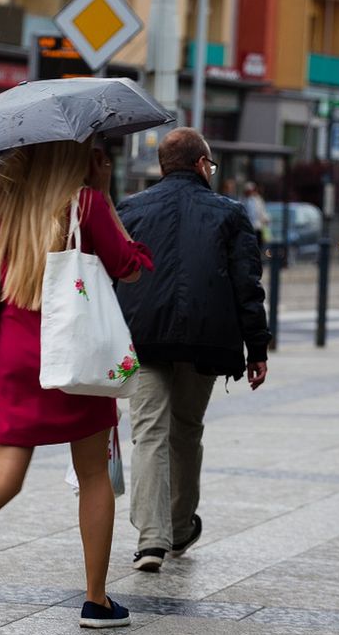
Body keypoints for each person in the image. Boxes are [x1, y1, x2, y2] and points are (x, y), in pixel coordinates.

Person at [0, 139, 153, 635]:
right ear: (76, 156)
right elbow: (127, 264)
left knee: (5, 475)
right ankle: (96, 600)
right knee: (94, 476)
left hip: (15, 357)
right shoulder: (83, 203)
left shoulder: (8, 205)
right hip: (74, 356)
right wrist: (104, 194)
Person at [115, 128, 270, 572]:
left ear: (163, 166)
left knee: (148, 433)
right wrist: (256, 347)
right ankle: (180, 527)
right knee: (186, 430)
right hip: (206, 339)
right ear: (202, 165)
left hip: (142, 337)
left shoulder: (131, 208)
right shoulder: (229, 213)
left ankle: (151, 541)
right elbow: (247, 285)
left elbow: (115, 274)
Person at [243, 181, 271, 252]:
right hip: (249, 227)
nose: (251, 192)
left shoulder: (258, 200)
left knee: (258, 246)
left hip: (258, 227)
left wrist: (265, 219)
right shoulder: (244, 201)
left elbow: (262, 212)